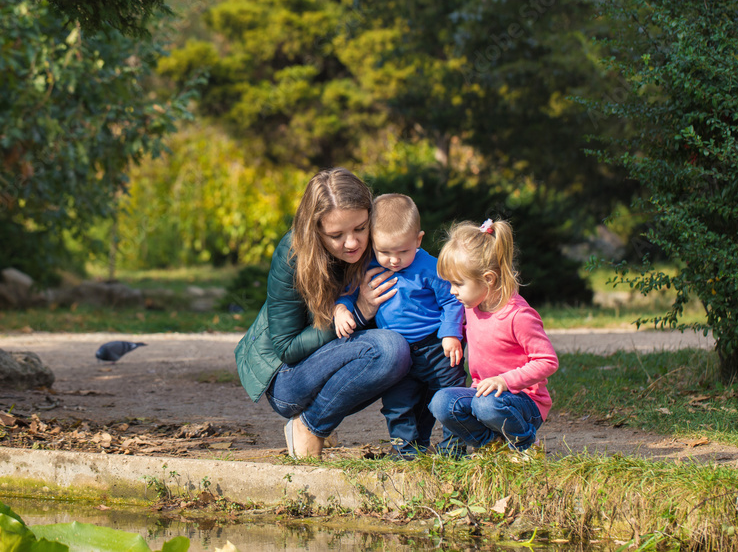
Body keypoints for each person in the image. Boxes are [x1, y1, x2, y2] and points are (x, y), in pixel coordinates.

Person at [235, 168, 410, 459]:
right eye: (336, 235)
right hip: (287, 379)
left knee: (408, 348)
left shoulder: (384, 247)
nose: (352, 243)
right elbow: (287, 347)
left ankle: (408, 443)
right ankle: (309, 426)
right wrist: (360, 311)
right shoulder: (293, 254)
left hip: (338, 359)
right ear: (315, 230)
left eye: (360, 228)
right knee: (389, 349)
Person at [334, 194, 466, 459]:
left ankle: (454, 447)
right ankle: (405, 450)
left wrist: (451, 333)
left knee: (447, 397)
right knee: (398, 405)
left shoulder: (431, 268)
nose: (393, 260)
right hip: (398, 352)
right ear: (372, 241)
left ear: (418, 240)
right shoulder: (367, 266)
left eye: (403, 252)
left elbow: (453, 301)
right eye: (385, 252)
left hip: (435, 347)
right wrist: (341, 310)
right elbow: (348, 294)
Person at [429, 219, 559, 455]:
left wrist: (505, 381)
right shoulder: (472, 305)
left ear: (488, 279)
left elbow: (547, 361)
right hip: (485, 396)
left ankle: (526, 446)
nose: (452, 291)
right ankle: (493, 447)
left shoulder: (518, 315)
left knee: (485, 405)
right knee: (441, 402)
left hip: (523, 402)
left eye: (458, 283)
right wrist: (452, 334)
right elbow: (458, 320)